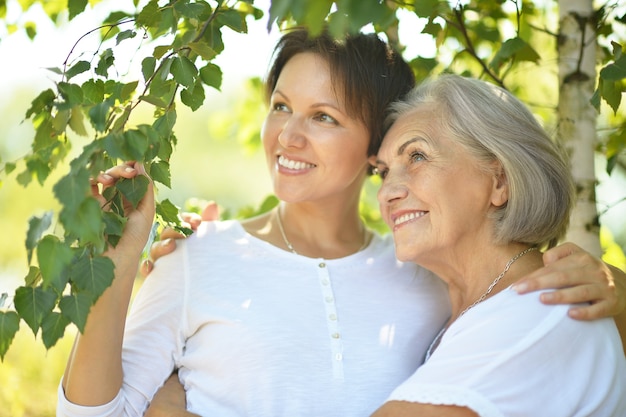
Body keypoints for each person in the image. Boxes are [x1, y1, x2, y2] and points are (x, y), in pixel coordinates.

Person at [56, 28, 626, 417]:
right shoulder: (197, 259)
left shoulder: (438, 279)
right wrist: (116, 268)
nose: (289, 136)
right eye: (280, 106)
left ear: (371, 144)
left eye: (323, 117)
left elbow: (540, 336)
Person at [369, 74, 626, 416]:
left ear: (500, 181)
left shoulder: (541, 310)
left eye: (417, 156)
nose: (387, 192)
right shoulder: (475, 311)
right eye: (383, 172)